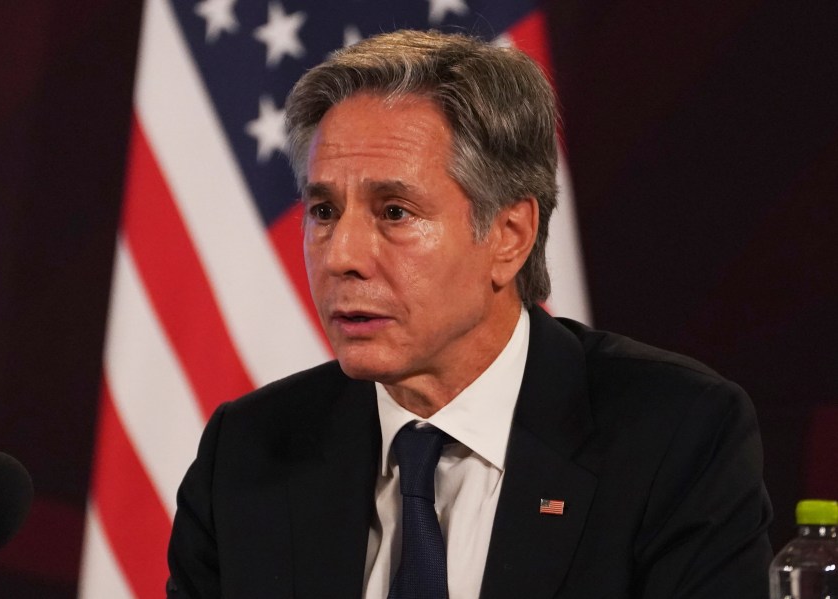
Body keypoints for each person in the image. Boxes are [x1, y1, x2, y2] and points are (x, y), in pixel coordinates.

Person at [166, 29, 772, 598]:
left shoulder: (674, 436)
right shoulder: (248, 452)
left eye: (395, 211)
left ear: (509, 235)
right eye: (324, 211)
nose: (342, 256)